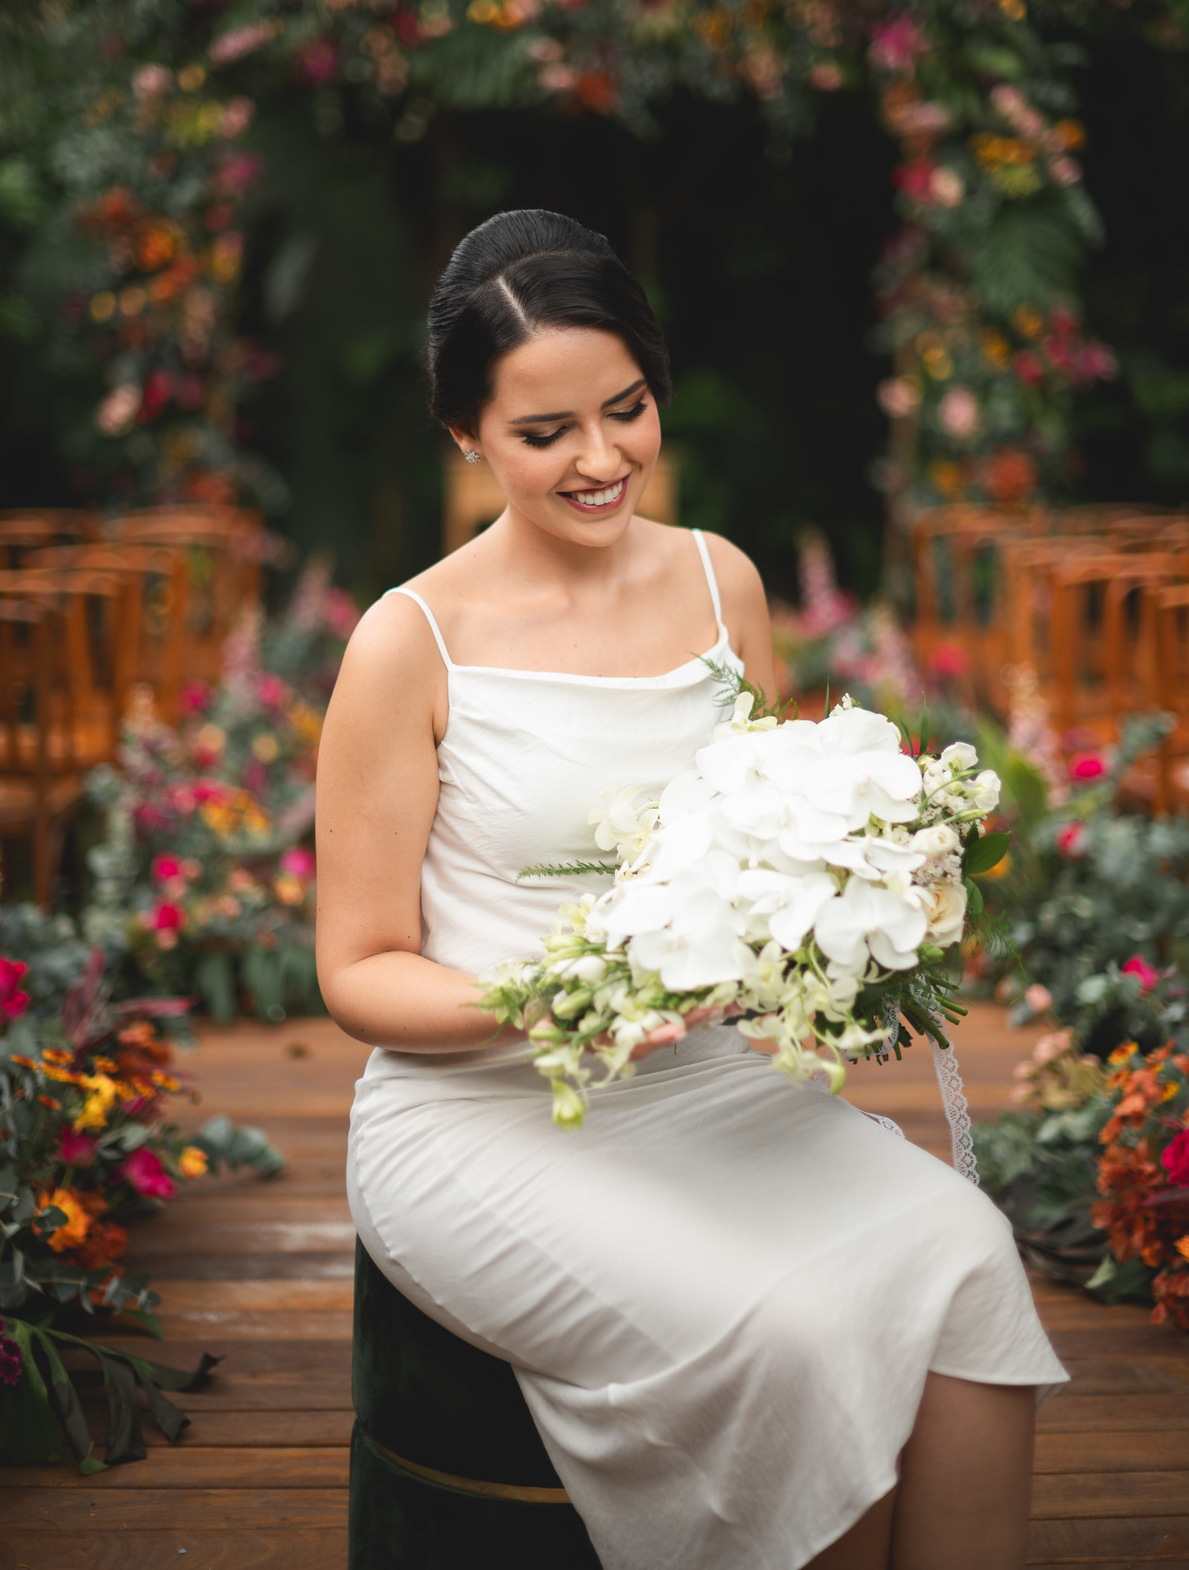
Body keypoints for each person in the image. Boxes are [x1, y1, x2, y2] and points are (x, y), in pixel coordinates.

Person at [316, 209, 1066, 1570]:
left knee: (962, 1250)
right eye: (547, 434)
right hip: (488, 1113)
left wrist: (861, 885)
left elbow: (760, 838)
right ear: (465, 436)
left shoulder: (722, 583)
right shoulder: (407, 642)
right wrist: (561, 1001)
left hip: (711, 1076)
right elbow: (358, 967)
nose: (602, 460)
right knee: (796, 1330)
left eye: (628, 409)